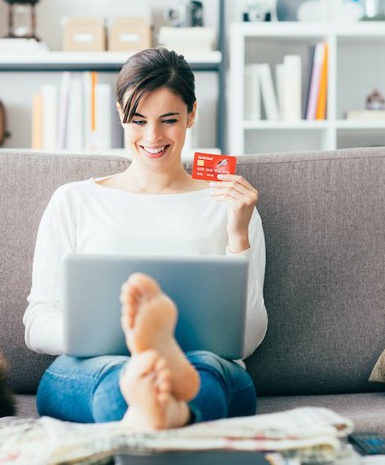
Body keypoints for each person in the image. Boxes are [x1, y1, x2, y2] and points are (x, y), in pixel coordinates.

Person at [23, 47, 267, 430]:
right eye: (138, 120)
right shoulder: (74, 200)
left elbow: (247, 339)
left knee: (203, 373)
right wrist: (119, 338)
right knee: (114, 376)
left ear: (192, 114)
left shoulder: (230, 203)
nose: (153, 137)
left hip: (201, 363)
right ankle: (169, 411)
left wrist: (238, 234)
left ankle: (148, 406)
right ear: (120, 114)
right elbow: (37, 322)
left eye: (168, 120)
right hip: (100, 363)